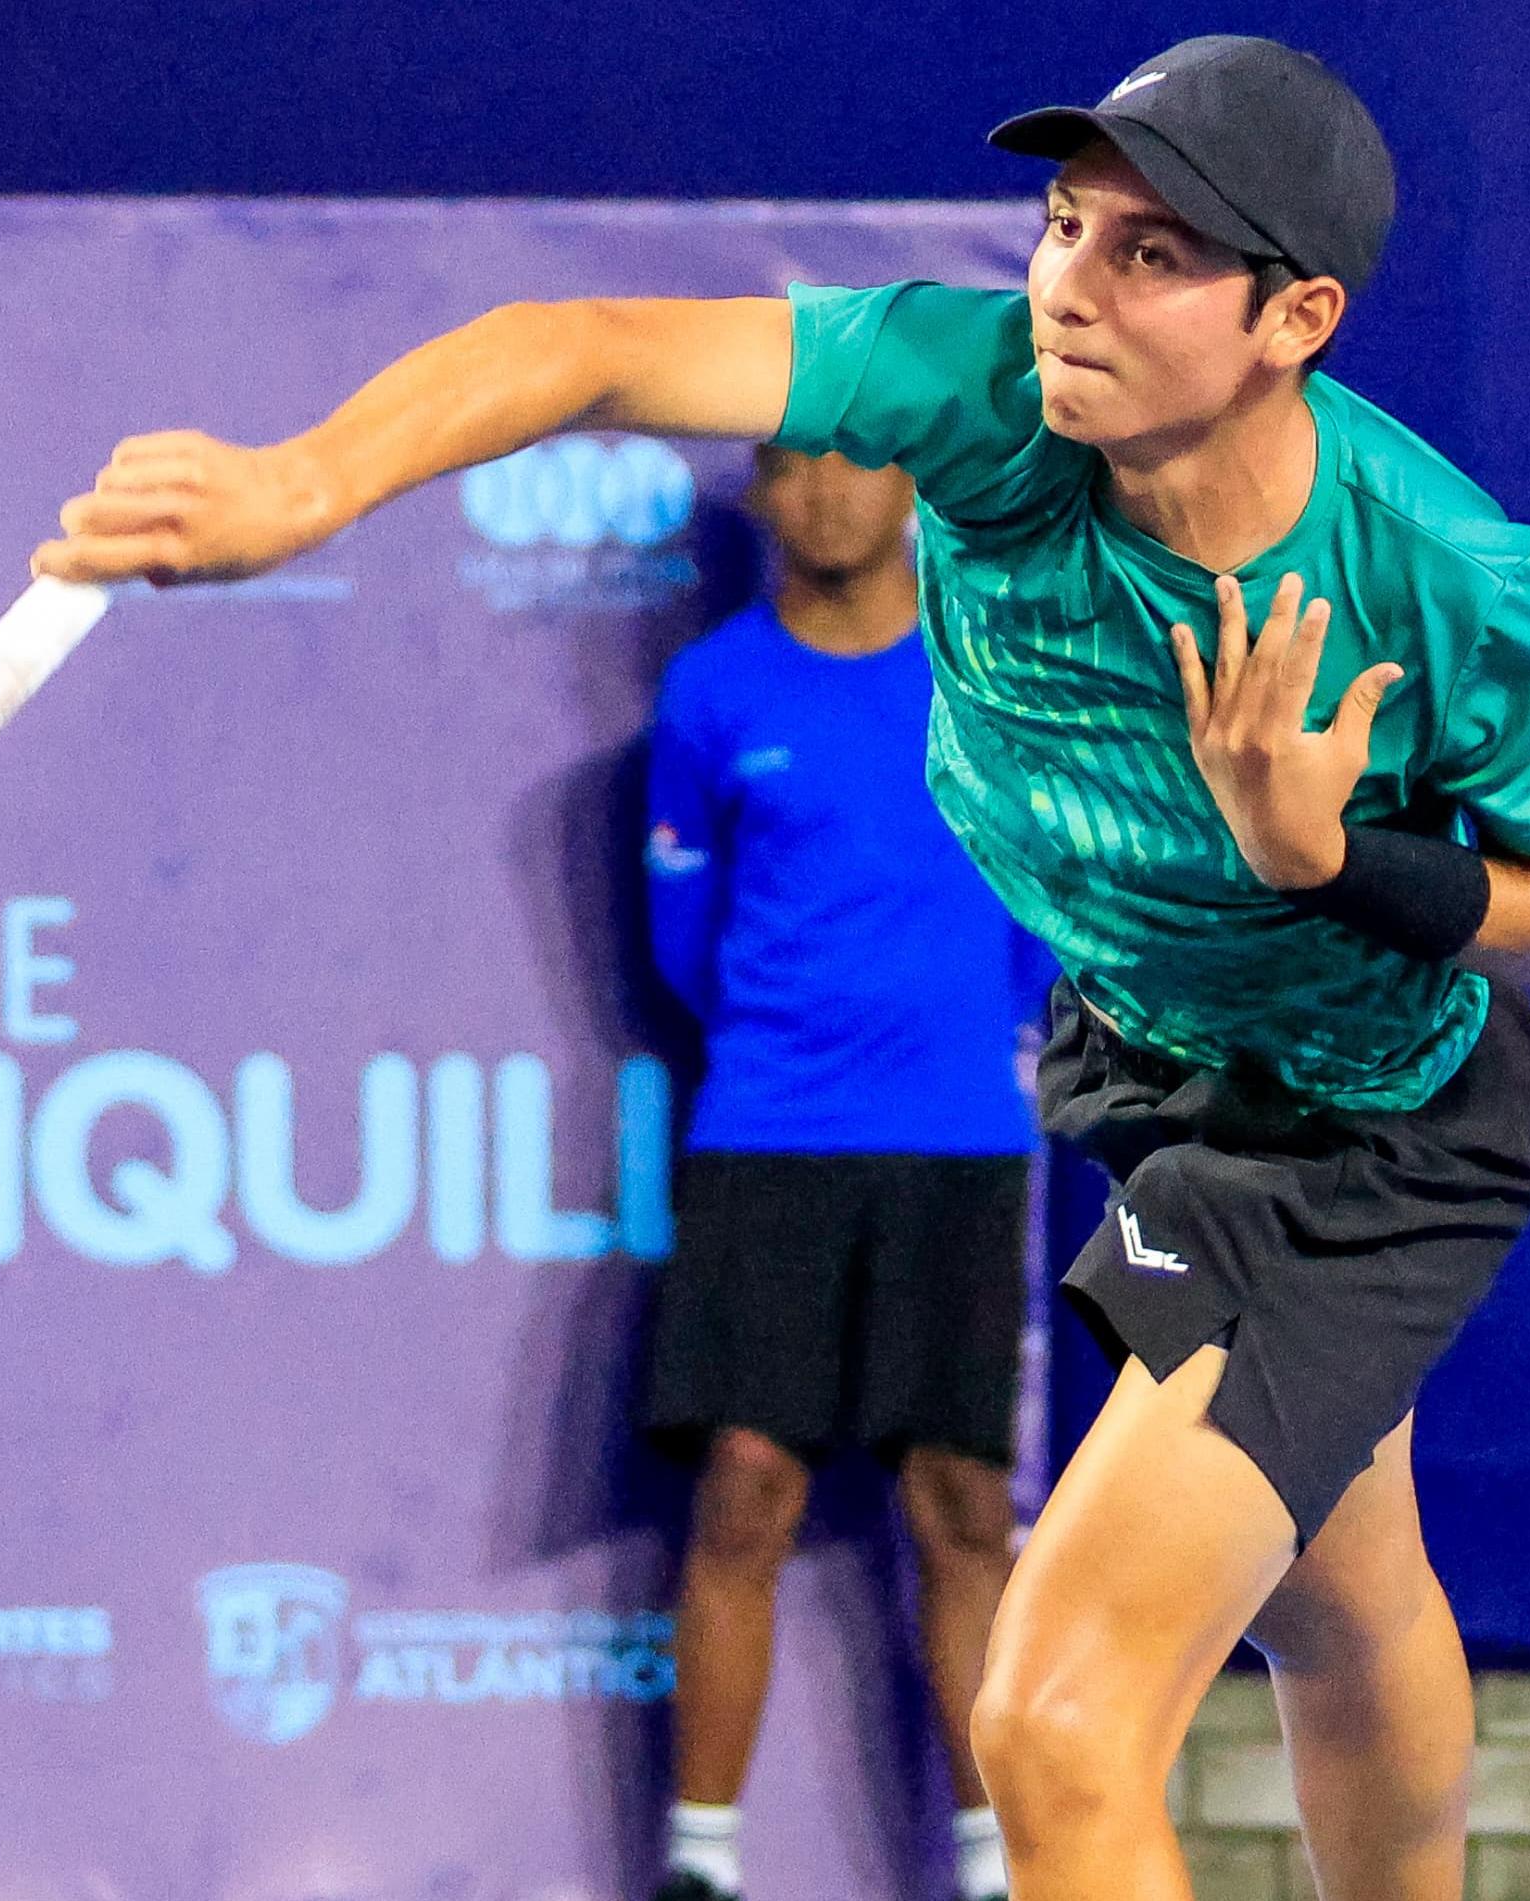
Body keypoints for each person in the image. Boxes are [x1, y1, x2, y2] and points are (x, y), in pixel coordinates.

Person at [36, 35, 1530, 1900]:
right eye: (1066, 224)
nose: (1071, 284)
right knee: (1339, 1587)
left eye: (1151, 255)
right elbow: (594, 346)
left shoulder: (1445, 577)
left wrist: (1329, 857)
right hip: (1166, 1067)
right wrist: (301, 484)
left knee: (1054, 1724)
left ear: (1296, 317)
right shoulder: (982, 391)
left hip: (1370, 1132)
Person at [638, 441, 1049, 1901]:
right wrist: (797, 1043)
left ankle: (996, 1868)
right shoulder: (712, 693)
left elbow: (1040, 923)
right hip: (768, 1137)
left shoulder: (990, 687)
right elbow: (684, 943)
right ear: (759, 494)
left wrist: (952, 1039)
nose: (827, 493)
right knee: (746, 1486)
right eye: (796, 466)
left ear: (914, 490)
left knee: (963, 1504)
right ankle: (702, 1861)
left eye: (858, 462)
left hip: (957, 1138)